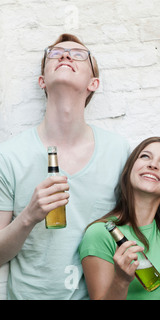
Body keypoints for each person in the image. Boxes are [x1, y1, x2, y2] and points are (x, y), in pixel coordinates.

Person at [0, 34, 130, 300]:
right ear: (42, 81)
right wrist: (29, 216)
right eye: (55, 53)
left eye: (79, 54)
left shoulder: (119, 152)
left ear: (94, 83)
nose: (66, 55)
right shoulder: (9, 156)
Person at [79, 137, 160, 300]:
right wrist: (121, 280)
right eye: (145, 156)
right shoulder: (101, 234)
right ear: (129, 170)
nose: (153, 165)